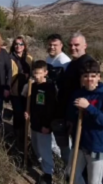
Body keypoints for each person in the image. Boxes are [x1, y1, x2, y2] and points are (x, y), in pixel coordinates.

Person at [67, 60, 103, 184]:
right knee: (71, 174)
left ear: (99, 77)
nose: (89, 79)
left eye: (93, 76)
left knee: (94, 181)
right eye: (86, 76)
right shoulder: (78, 93)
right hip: (79, 143)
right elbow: (72, 115)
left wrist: (89, 107)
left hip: (96, 145)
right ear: (81, 78)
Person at [58, 32, 94, 183]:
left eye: (77, 45)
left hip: (81, 116)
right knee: (76, 152)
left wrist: (75, 117)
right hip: (70, 113)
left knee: (84, 154)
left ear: (85, 46)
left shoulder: (88, 64)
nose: (73, 48)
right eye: (71, 45)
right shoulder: (73, 63)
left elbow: (89, 92)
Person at [23, 60, 57, 184]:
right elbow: (32, 104)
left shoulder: (49, 87)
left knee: (45, 149)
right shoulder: (33, 86)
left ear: (45, 73)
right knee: (36, 147)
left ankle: (48, 174)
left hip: (44, 125)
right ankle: (42, 164)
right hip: (34, 123)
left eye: (39, 73)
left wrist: (47, 125)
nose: (36, 76)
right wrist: (28, 113)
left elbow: (50, 108)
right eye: (35, 73)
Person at [46, 34, 71, 165]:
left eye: (55, 45)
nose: (52, 47)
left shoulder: (65, 62)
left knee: (62, 137)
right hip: (49, 104)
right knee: (52, 134)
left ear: (61, 45)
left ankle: (68, 166)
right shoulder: (48, 59)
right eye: (50, 44)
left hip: (60, 106)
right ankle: (56, 159)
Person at [9, 36, 32, 140]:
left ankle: (24, 135)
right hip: (15, 89)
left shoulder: (29, 58)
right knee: (17, 112)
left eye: (21, 44)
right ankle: (17, 135)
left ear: (24, 46)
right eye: (16, 44)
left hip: (28, 90)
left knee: (25, 112)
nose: (18, 46)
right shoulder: (9, 58)